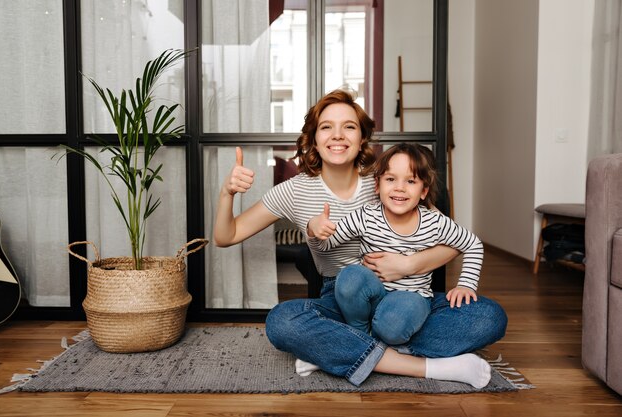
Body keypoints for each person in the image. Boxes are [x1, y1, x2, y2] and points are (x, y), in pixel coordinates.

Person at [214, 89, 507, 389]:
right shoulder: (294, 191)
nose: (338, 135)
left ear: (362, 137)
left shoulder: (387, 179)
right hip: (341, 300)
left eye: (349, 127)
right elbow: (226, 236)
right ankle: (425, 366)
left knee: (489, 317)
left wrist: (408, 264)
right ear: (313, 138)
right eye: (327, 127)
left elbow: (448, 238)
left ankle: (341, 350)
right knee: (281, 322)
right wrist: (228, 193)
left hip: (407, 295)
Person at [306, 142, 484, 347]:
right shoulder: (366, 216)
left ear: (424, 191)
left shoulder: (435, 223)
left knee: (393, 325)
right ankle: (360, 333)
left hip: (410, 299)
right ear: (377, 185)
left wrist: (465, 285)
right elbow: (326, 246)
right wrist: (315, 229)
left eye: (411, 181)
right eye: (390, 179)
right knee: (350, 276)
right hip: (369, 297)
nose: (399, 187)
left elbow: (473, 244)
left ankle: (372, 341)